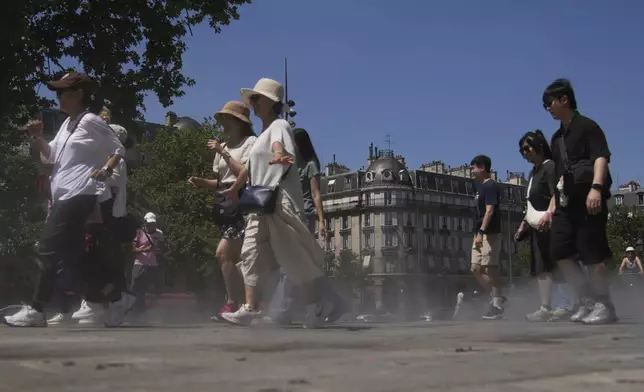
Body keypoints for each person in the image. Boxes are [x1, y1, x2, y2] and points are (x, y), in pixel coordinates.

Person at [4, 72, 129, 327]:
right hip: (64, 196)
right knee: (74, 260)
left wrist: (105, 170)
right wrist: (38, 138)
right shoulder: (67, 124)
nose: (58, 96)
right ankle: (112, 299)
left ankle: (37, 309)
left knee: (45, 249)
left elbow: (118, 148)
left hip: (79, 194)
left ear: (79, 94)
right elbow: (50, 158)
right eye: (57, 92)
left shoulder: (90, 121)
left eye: (63, 92)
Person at [220, 78, 335, 327]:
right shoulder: (261, 136)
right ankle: (250, 307)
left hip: (280, 202)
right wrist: (234, 189)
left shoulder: (279, 125)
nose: (252, 104)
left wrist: (279, 154)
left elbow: (279, 143)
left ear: (271, 102)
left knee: (293, 257)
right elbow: (248, 169)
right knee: (249, 252)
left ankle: (315, 304)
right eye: (251, 100)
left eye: (256, 99)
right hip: (259, 203)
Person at [544, 78, 617, 324]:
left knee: (591, 252)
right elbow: (560, 174)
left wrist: (596, 188)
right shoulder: (556, 138)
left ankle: (604, 305)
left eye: (549, 102)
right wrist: (553, 204)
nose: (547, 108)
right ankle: (586, 299)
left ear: (564, 99)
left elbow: (600, 157)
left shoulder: (587, 127)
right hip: (566, 202)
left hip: (588, 198)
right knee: (560, 250)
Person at [266, 128, 346, 325]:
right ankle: (337, 302)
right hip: (289, 214)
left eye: (291, 142)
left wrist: (321, 221)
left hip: (305, 216)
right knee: (303, 266)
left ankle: (282, 311)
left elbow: (316, 193)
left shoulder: (310, 165)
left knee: (291, 263)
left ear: (298, 144)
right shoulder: (290, 163)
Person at [188, 101, 256, 320]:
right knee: (235, 258)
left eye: (226, 119)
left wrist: (222, 152)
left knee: (223, 253)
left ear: (238, 122)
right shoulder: (224, 146)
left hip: (243, 203)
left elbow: (243, 173)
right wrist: (201, 182)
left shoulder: (250, 142)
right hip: (225, 206)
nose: (223, 124)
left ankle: (233, 302)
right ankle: (246, 302)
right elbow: (221, 182)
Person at [69, 123, 132, 325]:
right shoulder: (106, 158)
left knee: (100, 260)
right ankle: (105, 301)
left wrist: (90, 173)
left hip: (106, 217)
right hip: (98, 216)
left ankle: (100, 300)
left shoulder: (115, 161)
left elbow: (108, 186)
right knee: (100, 260)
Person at [514, 130, 572, 322]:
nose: (525, 153)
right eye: (522, 150)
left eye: (527, 148)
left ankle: (565, 304)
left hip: (551, 222)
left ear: (538, 146)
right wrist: (524, 225)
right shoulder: (533, 173)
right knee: (541, 266)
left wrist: (549, 212)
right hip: (537, 225)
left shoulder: (549, 167)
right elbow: (531, 203)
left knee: (556, 264)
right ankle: (545, 306)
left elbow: (555, 192)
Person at [470, 155, 505, 320]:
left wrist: (482, 231)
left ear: (482, 167)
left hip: (490, 232)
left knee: (490, 267)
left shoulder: (490, 186)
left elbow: (489, 210)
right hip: (479, 232)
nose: (471, 170)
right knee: (476, 268)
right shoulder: (479, 187)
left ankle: (497, 303)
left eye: (473, 167)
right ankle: (497, 297)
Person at [130, 212, 165, 314]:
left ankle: (151, 310)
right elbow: (133, 249)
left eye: (153, 223)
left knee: (151, 289)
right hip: (140, 264)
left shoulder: (159, 233)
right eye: (149, 223)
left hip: (152, 264)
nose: (151, 225)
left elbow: (162, 248)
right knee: (136, 288)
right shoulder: (139, 233)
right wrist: (145, 250)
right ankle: (135, 310)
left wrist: (157, 250)